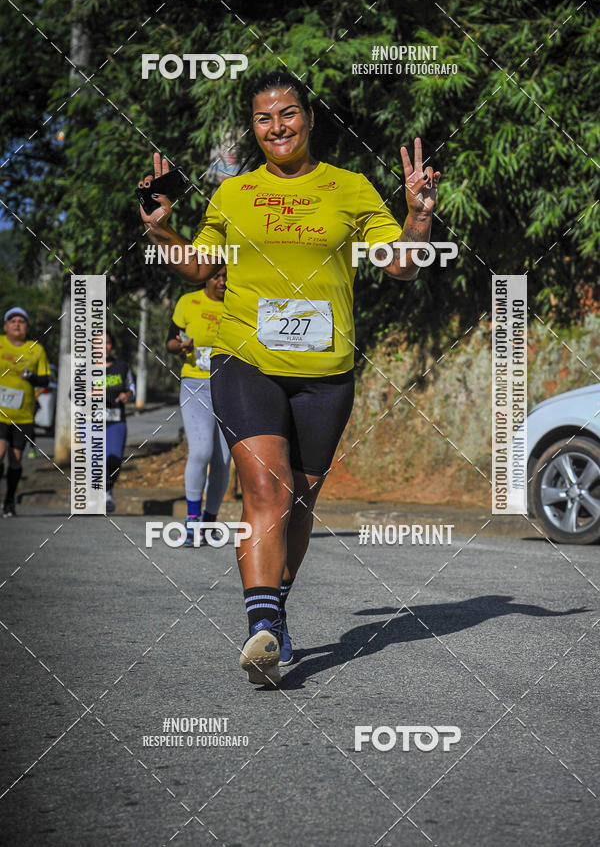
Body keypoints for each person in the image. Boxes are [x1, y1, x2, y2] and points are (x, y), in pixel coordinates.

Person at [139, 70, 441, 686]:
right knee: (266, 489)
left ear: (309, 118)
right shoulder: (234, 193)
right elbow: (199, 267)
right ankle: (262, 629)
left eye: (288, 113)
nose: (277, 126)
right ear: (254, 128)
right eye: (263, 118)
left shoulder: (350, 188)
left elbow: (402, 267)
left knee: (300, 502)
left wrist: (416, 216)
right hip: (244, 360)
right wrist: (162, 229)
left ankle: (274, 612)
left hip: (325, 371)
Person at [166, 267, 231, 546]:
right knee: (202, 450)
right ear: (207, 277)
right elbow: (170, 341)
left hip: (230, 387)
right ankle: (192, 519)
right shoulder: (188, 302)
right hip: (196, 385)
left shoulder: (238, 304)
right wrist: (180, 347)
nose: (222, 281)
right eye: (217, 276)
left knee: (223, 460)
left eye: (227, 276)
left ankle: (209, 521)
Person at [0, 307, 50, 516]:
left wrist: (31, 377)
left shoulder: (36, 349)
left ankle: (9, 500)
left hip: (23, 415)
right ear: (6, 326)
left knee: (16, 460)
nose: (17, 324)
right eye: (12, 320)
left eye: (21, 321)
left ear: (27, 327)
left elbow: (45, 380)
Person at [103, 332, 135, 514]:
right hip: (91, 422)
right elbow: (73, 394)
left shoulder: (122, 367)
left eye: (107, 343)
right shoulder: (85, 368)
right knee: (96, 459)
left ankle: (107, 493)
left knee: (114, 458)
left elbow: (131, 389)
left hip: (116, 419)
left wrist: (126, 395)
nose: (103, 347)